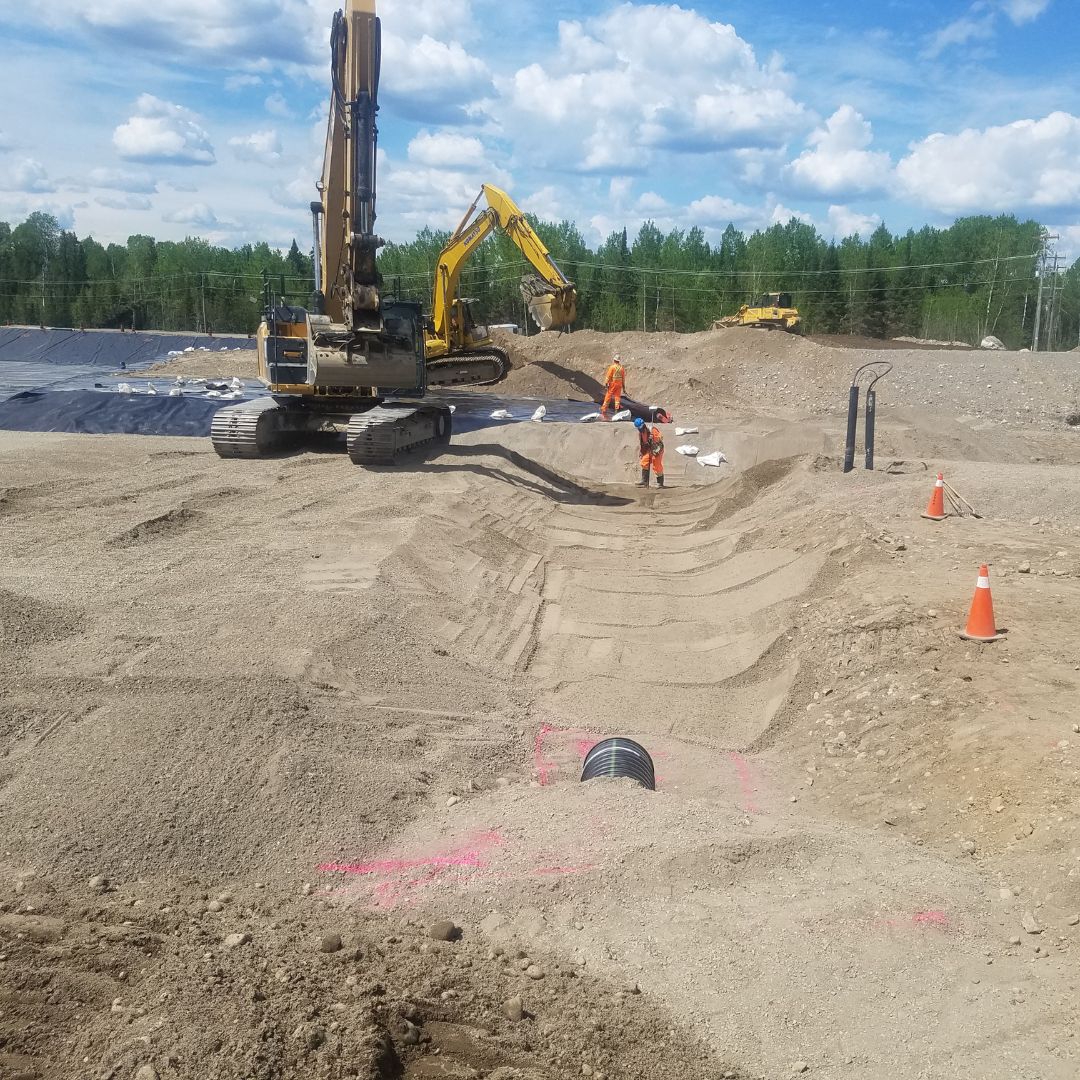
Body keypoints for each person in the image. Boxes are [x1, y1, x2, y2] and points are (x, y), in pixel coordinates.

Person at [634, 416, 664, 487]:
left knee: (657, 465)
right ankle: (644, 481)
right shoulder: (640, 433)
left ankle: (660, 483)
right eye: (638, 428)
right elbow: (642, 443)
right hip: (648, 449)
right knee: (644, 461)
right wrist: (641, 451)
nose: (639, 429)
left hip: (657, 449)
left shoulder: (652, 430)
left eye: (640, 427)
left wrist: (653, 437)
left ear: (643, 425)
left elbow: (661, 437)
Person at [600, 353, 625, 419]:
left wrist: (606, 383)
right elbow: (623, 378)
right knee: (617, 397)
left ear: (614, 360)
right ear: (619, 361)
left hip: (613, 383)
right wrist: (623, 387)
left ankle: (604, 409)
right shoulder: (621, 368)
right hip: (619, 384)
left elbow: (608, 376)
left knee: (608, 395)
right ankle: (616, 409)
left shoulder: (612, 367)